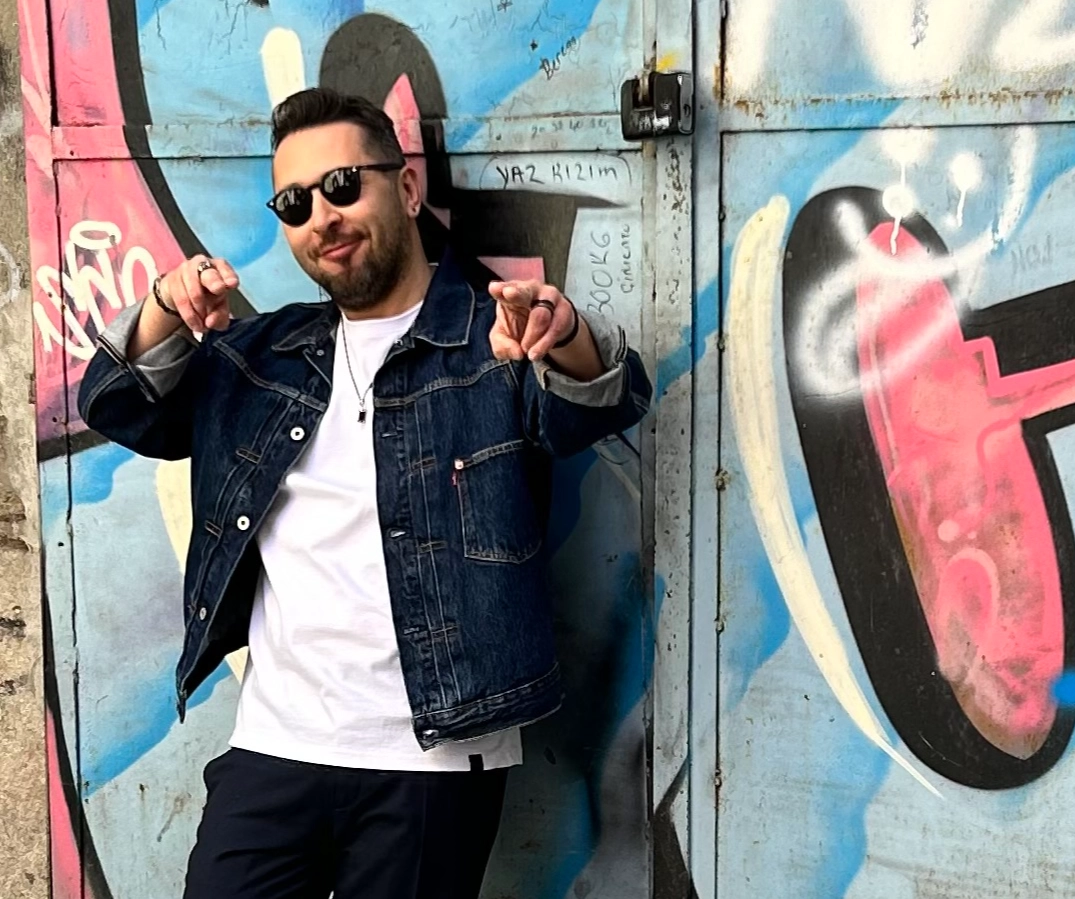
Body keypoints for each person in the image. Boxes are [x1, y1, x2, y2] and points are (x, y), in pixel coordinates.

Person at [77, 87, 651, 899]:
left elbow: (606, 397)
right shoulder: (261, 358)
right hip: (275, 748)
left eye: (343, 186)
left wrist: (563, 333)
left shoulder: (490, 343)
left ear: (406, 188)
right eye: (295, 203)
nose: (323, 217)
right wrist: (167, 307)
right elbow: (114, 402)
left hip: (432, 762)